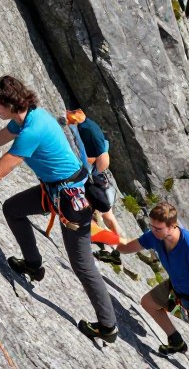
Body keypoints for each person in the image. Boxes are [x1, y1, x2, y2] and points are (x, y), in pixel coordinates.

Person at [0, 75, 118, 343]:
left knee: (82, 265)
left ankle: (108, 326)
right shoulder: (28, 117)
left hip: (71, 200)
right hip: (57, 189)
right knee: (13, 208)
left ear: (10, 104)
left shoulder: (33, 130)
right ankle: (33, 265)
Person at [114, 202, 189, 367]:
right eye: (151, 226)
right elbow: (126, 247)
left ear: (173, 225)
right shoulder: (154, 236)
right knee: (148, 303)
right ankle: (175, 341)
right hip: (176, 286)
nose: (153, 231)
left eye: (158, 228)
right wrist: (102, 235)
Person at [65, 109, 124, 265]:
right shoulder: (88, 126)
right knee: (105, 216)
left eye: (70, 118)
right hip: (96, 176)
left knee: (106, 216)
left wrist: (91, 173)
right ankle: (113, 249)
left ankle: (114, 248)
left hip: (95, 178)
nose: (68, 120)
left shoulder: (88, 129)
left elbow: (102, 156)